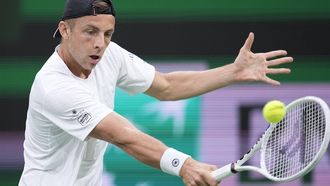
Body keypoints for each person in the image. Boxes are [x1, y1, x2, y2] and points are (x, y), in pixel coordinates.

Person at [19, 0, 293, 185]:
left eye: (107, 34)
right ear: (64, 29)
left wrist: (232, 73)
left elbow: (166, 86)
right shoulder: (54, 86)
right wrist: (183, 164)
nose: (100, 44)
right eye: (90, 32)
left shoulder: (108, 55)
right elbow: (123, 136)